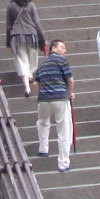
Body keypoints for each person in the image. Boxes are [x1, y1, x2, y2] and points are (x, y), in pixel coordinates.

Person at [33, 39, 75, 173]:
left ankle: (43, 148)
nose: (64, 50)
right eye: (62, 47)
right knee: (64, 130)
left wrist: (41, 95)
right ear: (54, 48)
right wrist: (69, 94)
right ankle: (63, 163)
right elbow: (70, 80)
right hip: (60, 98)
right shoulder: (62, 61)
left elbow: (36, 83)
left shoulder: (42, 63)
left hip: (43, 99)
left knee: (42, 122)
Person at [6, 0, 47, 97]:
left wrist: (8, 42)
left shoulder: (10, 6)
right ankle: (30, 75)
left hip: (16, 36)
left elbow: (9, 26)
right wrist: (43, 38)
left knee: (21, 60)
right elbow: (37, 23)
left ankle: (27, 88)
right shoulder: (31, 5)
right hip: (31, 35)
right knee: (32, 58)